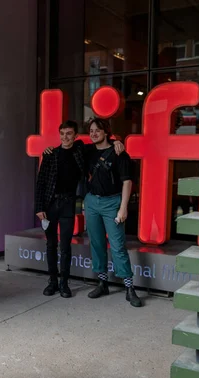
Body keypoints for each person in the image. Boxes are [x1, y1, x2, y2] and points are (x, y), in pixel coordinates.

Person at [39, 121, 124, 298]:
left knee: (65, 246)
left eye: (69, 133)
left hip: (69, 204)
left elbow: (101, 144)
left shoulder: (80, 151)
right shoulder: (50, 154)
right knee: (51, 244)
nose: (65, 137)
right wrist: (39, 207)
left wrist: (115, 140)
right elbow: (40, 183)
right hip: (50, 205)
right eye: (62, 133)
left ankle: (64, 283)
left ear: (76, 135)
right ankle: (52, 282)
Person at [83, 118, 143, 307]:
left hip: (112, 203)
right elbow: (71, 145)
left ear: (106, 132)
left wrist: (123, 207)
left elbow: (127, 182)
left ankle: (129, 287)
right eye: (91, 130)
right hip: (92, 201)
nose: (93, 134)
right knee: (97, 244)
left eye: (97, 130)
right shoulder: (87, 151)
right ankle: (102, 282)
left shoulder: (120, 154)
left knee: (117, 246)